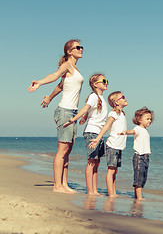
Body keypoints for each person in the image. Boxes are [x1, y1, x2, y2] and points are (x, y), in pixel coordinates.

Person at [28, 39, 84, 193]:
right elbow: (55, 75)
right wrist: (39, 82)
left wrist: (49, 98)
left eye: (81, 47)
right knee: (62, 150)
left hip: (72, 112)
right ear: (69, 51)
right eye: (77, 47)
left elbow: (60, 85)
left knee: (68, 151)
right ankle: (57, 186)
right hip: (65, 111)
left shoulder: (75, 69)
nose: (81, 49)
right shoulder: (66, 65)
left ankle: (64, 184)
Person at [63, 73, 108, 195]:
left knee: (97, 162)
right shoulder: (93, 96)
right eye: (103, 81)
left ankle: (94, 189)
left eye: (106, 80)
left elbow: (90, 112)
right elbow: (85, 108)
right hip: (92, 132)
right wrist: (74, 119)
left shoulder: (101, 98)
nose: (106, 83)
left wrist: (85, 117)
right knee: (91, 161)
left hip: (99, 133)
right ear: (95, 84)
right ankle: (90, 191)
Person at [89, 91, 128, 197]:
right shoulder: (113, 114)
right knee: (111, 170)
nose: (125, 98)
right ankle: (111, 194)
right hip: (113, 145)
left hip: (119, 146)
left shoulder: (121, 114)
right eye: (122, 97)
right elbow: (106, 126)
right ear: (116, 102)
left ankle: (113, 192)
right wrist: (97, 139)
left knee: (115, 171)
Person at [119, 107, 154, 200]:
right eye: (147, 118)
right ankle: (139, 197)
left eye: (150, 119)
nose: (149, 121)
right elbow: (132, 131)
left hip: (146, 157)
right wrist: (125, 132)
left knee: (143, 177)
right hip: (139, 157)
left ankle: (137, 196)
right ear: (139, 119)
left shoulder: (145, 130)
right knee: (138, 177)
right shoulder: (138, 128)